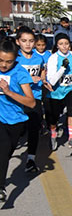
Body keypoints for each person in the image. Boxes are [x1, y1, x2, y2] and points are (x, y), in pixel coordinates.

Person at [0, 38, 36, 202]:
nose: (4, 65)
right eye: (0, 60)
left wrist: (8, 92)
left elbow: (31, 102)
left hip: (15, 121)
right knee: (3, 150)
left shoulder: (20, 72)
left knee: (6, 153)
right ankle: (1, 188)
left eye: (8, 61)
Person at [15, 27, 44, 172]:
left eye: (31, 41)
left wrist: (42, 80)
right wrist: (28, 79)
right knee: (18, 129)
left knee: (34, 128)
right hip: (18, 98)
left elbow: (42, 71)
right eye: (24, 41)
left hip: (35, 97)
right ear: (18, 42)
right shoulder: (15, 58)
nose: (28, 44)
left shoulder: (38, 58)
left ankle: (31, 159)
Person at [45, 33, 72, 150]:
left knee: (71, 111)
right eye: (61, 44)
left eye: (66, 43)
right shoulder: (53, 58)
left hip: (71, 88)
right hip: (56, 92)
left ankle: (71, 138)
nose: (64, 46)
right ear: (57, 45)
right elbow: (51, 80)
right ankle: (53, 134)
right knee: (54, 117)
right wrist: (62, 68)